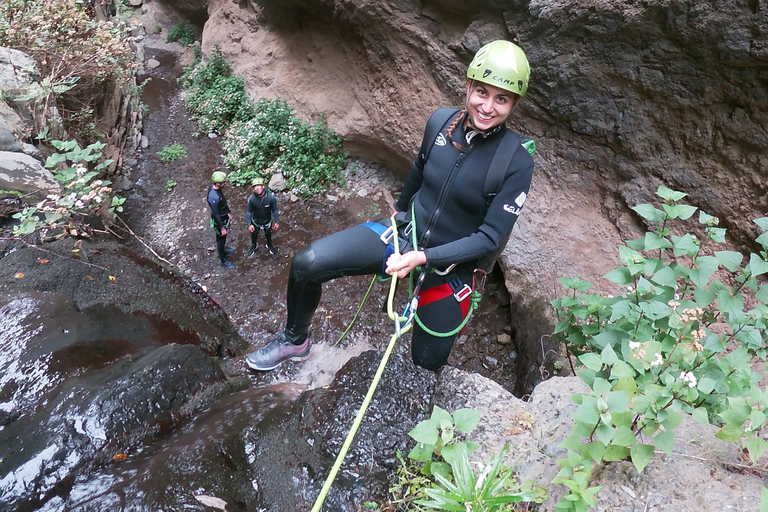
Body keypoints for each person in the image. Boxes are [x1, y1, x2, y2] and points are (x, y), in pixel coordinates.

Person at [246, 40, 534, 372]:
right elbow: (419, 171)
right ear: (468, 86)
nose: (487, 106)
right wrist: (398, 215)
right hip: (404, 234)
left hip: (451, 270)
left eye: (502, 99)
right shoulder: (441, 122)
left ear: (514, 104)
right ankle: (295, 341)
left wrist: (424, 257)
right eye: (482, 92)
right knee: (306, 264)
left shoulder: (515, 161)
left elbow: (489, 238)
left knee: (424, 366)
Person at [207, 171, 235, 269]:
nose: (225, 184)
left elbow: (222, 204)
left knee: (222, 239)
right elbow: (216, 213)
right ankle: (223, 260)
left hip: (224, 216)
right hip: (220, 221)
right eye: (223, 182)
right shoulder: (213, 197)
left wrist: (228, 212)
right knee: (221, 239)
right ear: (218, 183)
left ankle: (223, 250)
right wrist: (222, 227)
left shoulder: (215, 188)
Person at [246, 177, 280, 256]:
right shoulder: (251, 199)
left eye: (258, 186)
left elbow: (275, 210)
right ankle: (254, 246)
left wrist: (277, 221)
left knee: (268, 233)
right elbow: (249, 211)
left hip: (267, 220)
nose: (257, 188)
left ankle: (269, 244)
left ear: (263, 186)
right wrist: (249, 224)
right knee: (254, 234)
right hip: (256, 221)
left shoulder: (270, 197)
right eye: (255, 186)